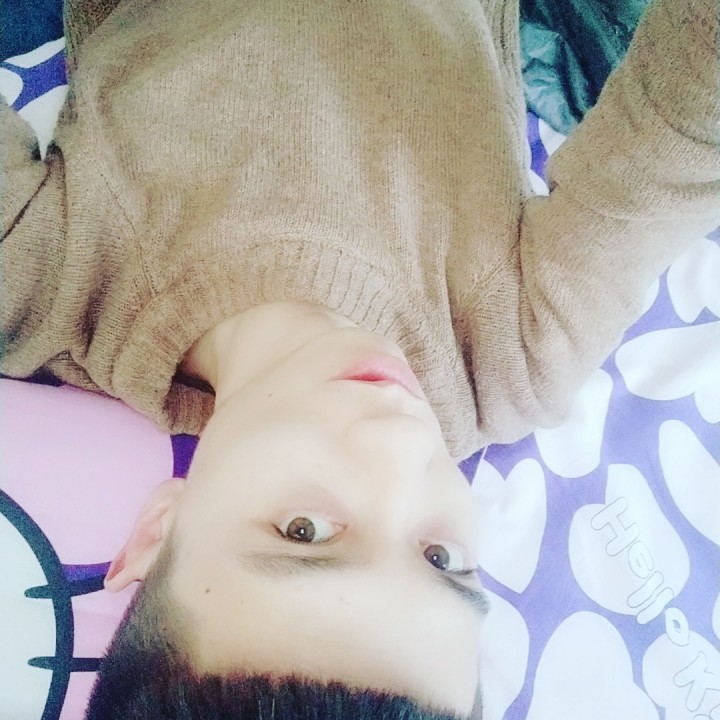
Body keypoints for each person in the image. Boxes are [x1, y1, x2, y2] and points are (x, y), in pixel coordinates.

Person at [1, 0, 718, 716]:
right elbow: (678, 138)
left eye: (304, 531)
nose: (401, 443)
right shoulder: (513, 359)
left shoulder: (49, 283)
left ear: (158, 532)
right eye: (443, 560)